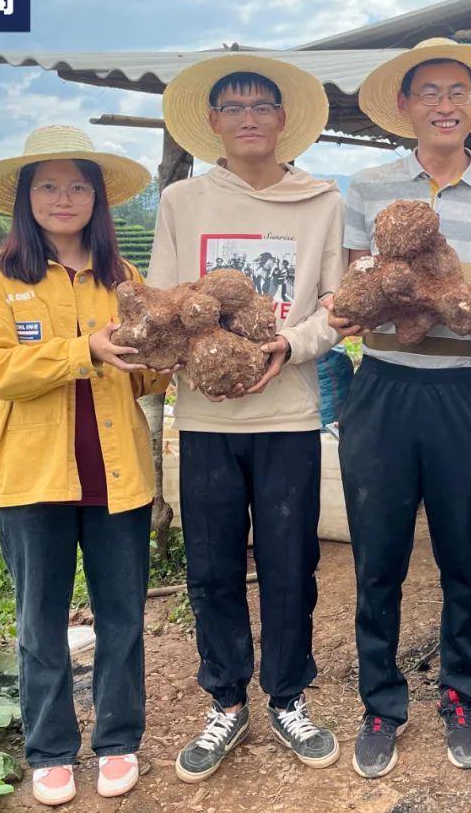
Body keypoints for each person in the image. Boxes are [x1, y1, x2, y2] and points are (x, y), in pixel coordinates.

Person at [326, 38, 471, 778]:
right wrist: (371, 297)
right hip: (382, 389)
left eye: (457, 92)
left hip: (466, 391)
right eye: (429, 93)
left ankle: (462, 694)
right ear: (406, 105)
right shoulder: (368, 186)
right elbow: (352, 292)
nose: (444, 105)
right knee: (377, 556)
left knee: (464, 556)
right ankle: (381, 703)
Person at [0, 125, 169, 805]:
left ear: (98, 199)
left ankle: (118, 738)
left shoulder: (121, 277)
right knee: (39, 621)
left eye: (78, 186)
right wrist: (84, 350)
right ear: (25, 197)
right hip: (33, 477)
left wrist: (166, 358)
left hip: (117, 474)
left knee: (121, 616)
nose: (63, 198)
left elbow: (143, 375)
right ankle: (49, 748)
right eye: (48, 185)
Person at [153, 54, 345, 782]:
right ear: (213, 122)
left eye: (261, 106)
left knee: (292, 564)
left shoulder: (320, 201)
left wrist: (290, 344)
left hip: (289, 415)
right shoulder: (183, 202)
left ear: (282, 118)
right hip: (206, 419)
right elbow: (167, 303)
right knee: (212, 566)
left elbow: (335, 308)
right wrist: (180, 354)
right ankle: (226, 699)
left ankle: (289, 696)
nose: (248, 119)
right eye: (232, 107)